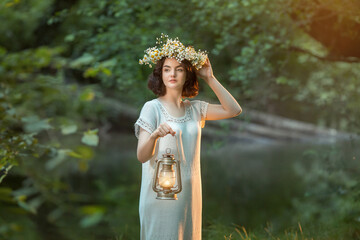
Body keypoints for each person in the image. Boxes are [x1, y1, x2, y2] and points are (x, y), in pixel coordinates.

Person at [134, 34, 242, 240]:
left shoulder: (195, 109)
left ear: (187, 74)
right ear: (160, 74)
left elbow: (234, 109)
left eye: (179, 69)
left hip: (190, 193)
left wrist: (210, 77)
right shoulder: (151, 108)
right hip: (161, 194)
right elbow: (141, 156)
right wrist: (155, 134)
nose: (172, 74)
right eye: (166, 69)